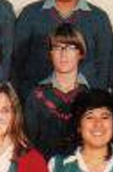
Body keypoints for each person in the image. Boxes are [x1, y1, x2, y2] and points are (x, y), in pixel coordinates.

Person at [12, 0, 113, 98]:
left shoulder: (98, 19)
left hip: (85, 109)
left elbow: (105, 70)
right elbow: (16, 67)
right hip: (38, 108)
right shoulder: (29, 15)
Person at [24, 23, 90, 161]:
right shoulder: (36, 96)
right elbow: (28, 144)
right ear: (50, 53)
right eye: (57, 47)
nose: (63, 54)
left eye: (71, 47)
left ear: (81, 53)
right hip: (43, 170)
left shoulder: (91, 96)